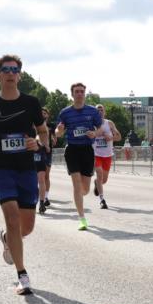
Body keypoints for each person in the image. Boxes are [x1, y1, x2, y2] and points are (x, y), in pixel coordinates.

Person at [0, 55, 47, 295]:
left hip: (26, 169)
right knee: (13, 219)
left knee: (26, 227)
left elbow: (43, 133)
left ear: (19, 75)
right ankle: (22, 276)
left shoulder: (32, 103)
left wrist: (38, 143)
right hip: (2, 170)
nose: (10, 73)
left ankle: (6, 238)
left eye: (15, 69)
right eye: (6, 69)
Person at [55, 83, 102, 230]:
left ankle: (84, 192)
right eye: (77, 92)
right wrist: (59, 130)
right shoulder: (65, 112)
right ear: (72, 94)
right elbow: (58, 132)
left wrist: (95, 133)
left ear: (85, 94)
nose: (80, 94)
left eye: (82, 91)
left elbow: (100, 128)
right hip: (72, 150)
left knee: (85, 189)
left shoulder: (93, 111)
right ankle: (82, 218)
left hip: (87, 150)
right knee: (76, 184)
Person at [91, 104, 121, 210]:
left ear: (104, 112)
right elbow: (87, 136)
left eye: (101, 110)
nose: (100, 112)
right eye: (97, 110)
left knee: (104, 180)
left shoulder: (109, 123)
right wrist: (94, 134)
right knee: (99, 174)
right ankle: (102, 200)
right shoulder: (91, 124)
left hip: (107, 155)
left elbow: (119, 137)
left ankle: (96, 183)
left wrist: (111, 137)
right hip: (96, 154)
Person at [34, 107, 54, 214]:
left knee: (42, 179)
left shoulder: (45, 126)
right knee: (33, 180)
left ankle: (42, 202)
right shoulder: (31, 124)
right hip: (29, 155)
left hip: (40, 154)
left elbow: (43, 138)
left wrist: (44, 145)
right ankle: (36, 201)